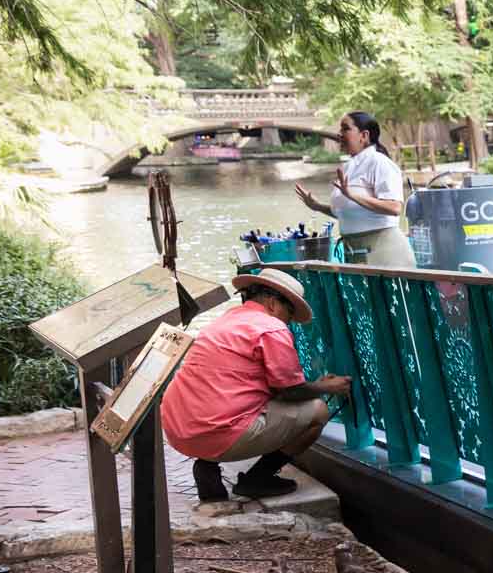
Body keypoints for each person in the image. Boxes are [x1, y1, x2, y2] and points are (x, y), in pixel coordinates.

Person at [159, 269, 353, 502]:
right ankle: (258, 478)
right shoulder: (271, 328)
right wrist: (327, 388)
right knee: (319, 411)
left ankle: (208, 465)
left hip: (178, 431)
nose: (289, 321)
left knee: (228, 401)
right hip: (216, 434)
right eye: (289, 312)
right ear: (272, 304)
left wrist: (314, 384)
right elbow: (289, 391)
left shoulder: (225, 320)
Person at [294, 110, 415, 266]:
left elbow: (394, 207)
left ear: (364, 135)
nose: (339, 134)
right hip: (354, 253)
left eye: (345, 128)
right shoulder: (348, 166)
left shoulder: (380, 163)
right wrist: (317, 206)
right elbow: (348, 212)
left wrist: (353, 196)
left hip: (384, 253)